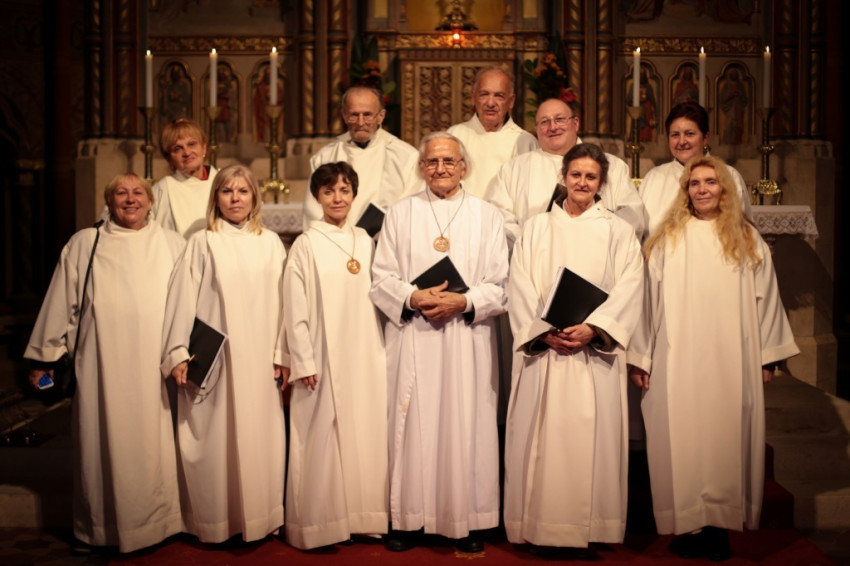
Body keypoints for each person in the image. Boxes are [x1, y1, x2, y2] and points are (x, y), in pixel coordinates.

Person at [627, 155, 799, 561]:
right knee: (681, 437)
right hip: (677, 358)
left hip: (730, 360)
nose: (702, 189)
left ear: (724, 189)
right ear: (685, 192)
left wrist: (767, 357)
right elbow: (647, 302)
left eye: (710, 182)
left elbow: (766, 299)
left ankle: (719, 527)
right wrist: (641, 357)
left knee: (724, 438)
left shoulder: (746, 238)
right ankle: (690, 522)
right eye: (694, 183)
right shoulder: (668, 239)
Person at [24, 174, 185, 553]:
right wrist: (44, 355)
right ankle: (99, 528)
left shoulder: (172, 243)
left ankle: (157, 525)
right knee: (101, 441)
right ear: (109, 202)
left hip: (153, 362)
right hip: (100, 362)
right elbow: (62, 298)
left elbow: (187, 302)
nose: (130, 199)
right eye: (121, 193)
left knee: (153, 444)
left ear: (151, 201)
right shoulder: (85, 242)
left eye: (138, 193)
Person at [370, 132, 508, 553]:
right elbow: (381, 277)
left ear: (463, 167)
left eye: (449, 161)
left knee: (466, 423)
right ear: (421, 168)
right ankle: (408, 519)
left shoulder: (486, 215)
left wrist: (463, 301)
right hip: (414, 333)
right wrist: (413, 297)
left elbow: (501, 284)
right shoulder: (400, 213)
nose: (440, 168)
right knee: (411, 423)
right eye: (432, 161)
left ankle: (466, 521)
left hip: (465, 336)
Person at [503, 143, 644, 556]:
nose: (582, 183)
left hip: (592, 355)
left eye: (591, 177)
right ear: (563, 177)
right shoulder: (536, 227)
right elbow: (519, 283)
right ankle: (539, 526)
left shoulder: (617, 231)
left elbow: (630, 286)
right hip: (545, 352)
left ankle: (590, 528)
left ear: (602, 183)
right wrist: (542, 331)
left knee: (590, 442)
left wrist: (594, 328)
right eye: (576, 174)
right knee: (541, 441)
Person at [161, 164, 286, 544]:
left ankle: (260, 517)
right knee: (215, 438)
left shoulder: (271, 243)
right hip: (217, 357)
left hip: (260, 356)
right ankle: (216, 521)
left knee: (259, 436)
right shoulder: (202, 242)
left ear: (254, 198)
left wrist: (283, 353)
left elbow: (286, 303)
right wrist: (178, 351)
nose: (235, 198)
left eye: (243, 191)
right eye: (227, 191)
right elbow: (181, 298)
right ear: (215, 198)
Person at [283, 162, 388, 549]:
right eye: (329, 191)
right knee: (321, 436)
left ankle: (364, 517)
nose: (337, 198)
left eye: (344, 190)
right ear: (317, 197)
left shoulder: (366, 240)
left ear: (354, 194)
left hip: (365, 350)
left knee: (365, 430)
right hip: (323, 353)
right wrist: (303, 359)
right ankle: (321, 523)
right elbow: (294, 305)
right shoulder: (306, 244)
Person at [487, 97, 647, 248]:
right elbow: (499, 218)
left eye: (559, 119)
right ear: (536, 129)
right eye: (544, 122)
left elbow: (632, 217)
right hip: (534, 259)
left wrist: (595, 241)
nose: (553, 127)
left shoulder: (612, 166)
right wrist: (530, 247)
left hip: (598, 256)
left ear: (575, 123)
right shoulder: (514, 169)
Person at [305, 86, 420, 232]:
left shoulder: (406, 156)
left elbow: (411, 208)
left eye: (367, 115)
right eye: (354, 115)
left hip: (386, 241)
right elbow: (313, 210)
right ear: (344, 115)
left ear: (381, 116)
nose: (360, 122)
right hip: (334, 240)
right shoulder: (324, 157)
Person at [640, 101, 752, 237]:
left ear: (705, 138)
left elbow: (742, 232)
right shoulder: (653, 178)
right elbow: (638, 233)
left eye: (689, 134)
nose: (682, 141)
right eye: (675, 135)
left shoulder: (729, 176)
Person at [447, 67, 538, 199]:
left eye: (499, 96)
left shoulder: (524, 141)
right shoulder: (454, 135)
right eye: (484, 94)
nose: (490, 103)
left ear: (511, 101)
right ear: (473, 98)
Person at [153, 118, 218, 238]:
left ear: (204, 147)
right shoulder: (163, 189)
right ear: (169, 159)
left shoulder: (223, 181)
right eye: (178, 148)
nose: (187, 153)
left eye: (191, 144)